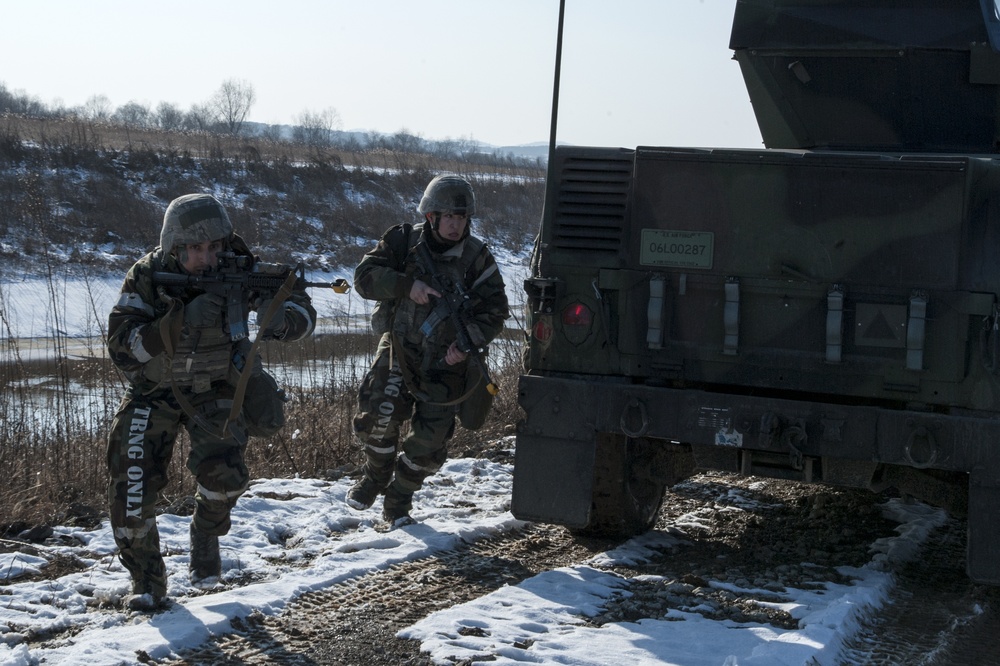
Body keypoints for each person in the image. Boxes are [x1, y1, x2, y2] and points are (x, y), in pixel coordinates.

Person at [106, 193, 317, 611]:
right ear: (175, 248)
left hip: (216, 388)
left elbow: (303, 313)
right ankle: (147, 582)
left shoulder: (242, 271)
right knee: (131, 486)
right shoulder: (147, 277)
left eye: (214, 247)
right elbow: (121, 347)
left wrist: (281, 320)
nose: (207, 258)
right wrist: (176, 323)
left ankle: (205, 530)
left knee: (227, 479)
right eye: (196, 249)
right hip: (156, 392)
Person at [348, 174, 510, 526]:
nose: (456, 225)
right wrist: (407, 286)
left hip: (446, 364)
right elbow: (364, 277)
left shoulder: (477, 258)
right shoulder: (403, 242)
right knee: (377, 419)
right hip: (400, 351)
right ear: (431, 216)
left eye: (462, 218)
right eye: (449, 217)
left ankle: (399, 497)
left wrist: (466, 344)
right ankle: (375, 478)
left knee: (429, 443)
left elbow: (496, 310)